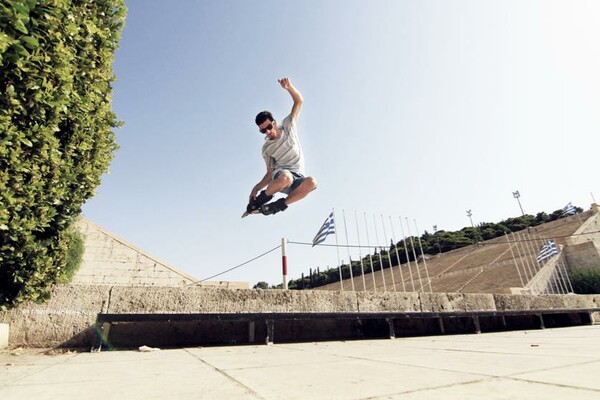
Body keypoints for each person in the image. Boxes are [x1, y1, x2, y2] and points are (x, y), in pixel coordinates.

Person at [247, 78, 317, 216]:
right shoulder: (267, 149)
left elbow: (299, 101)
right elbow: (269, 174)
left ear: (274, 122)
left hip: (298, 177)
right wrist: (256, 188)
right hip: (281, 176)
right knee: (286, 177)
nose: (267, 131)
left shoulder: (288, 125)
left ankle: (277, 206)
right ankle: (261, 200)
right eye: (263, 130)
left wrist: (289, 87)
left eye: (268, 127)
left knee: (312, 182)